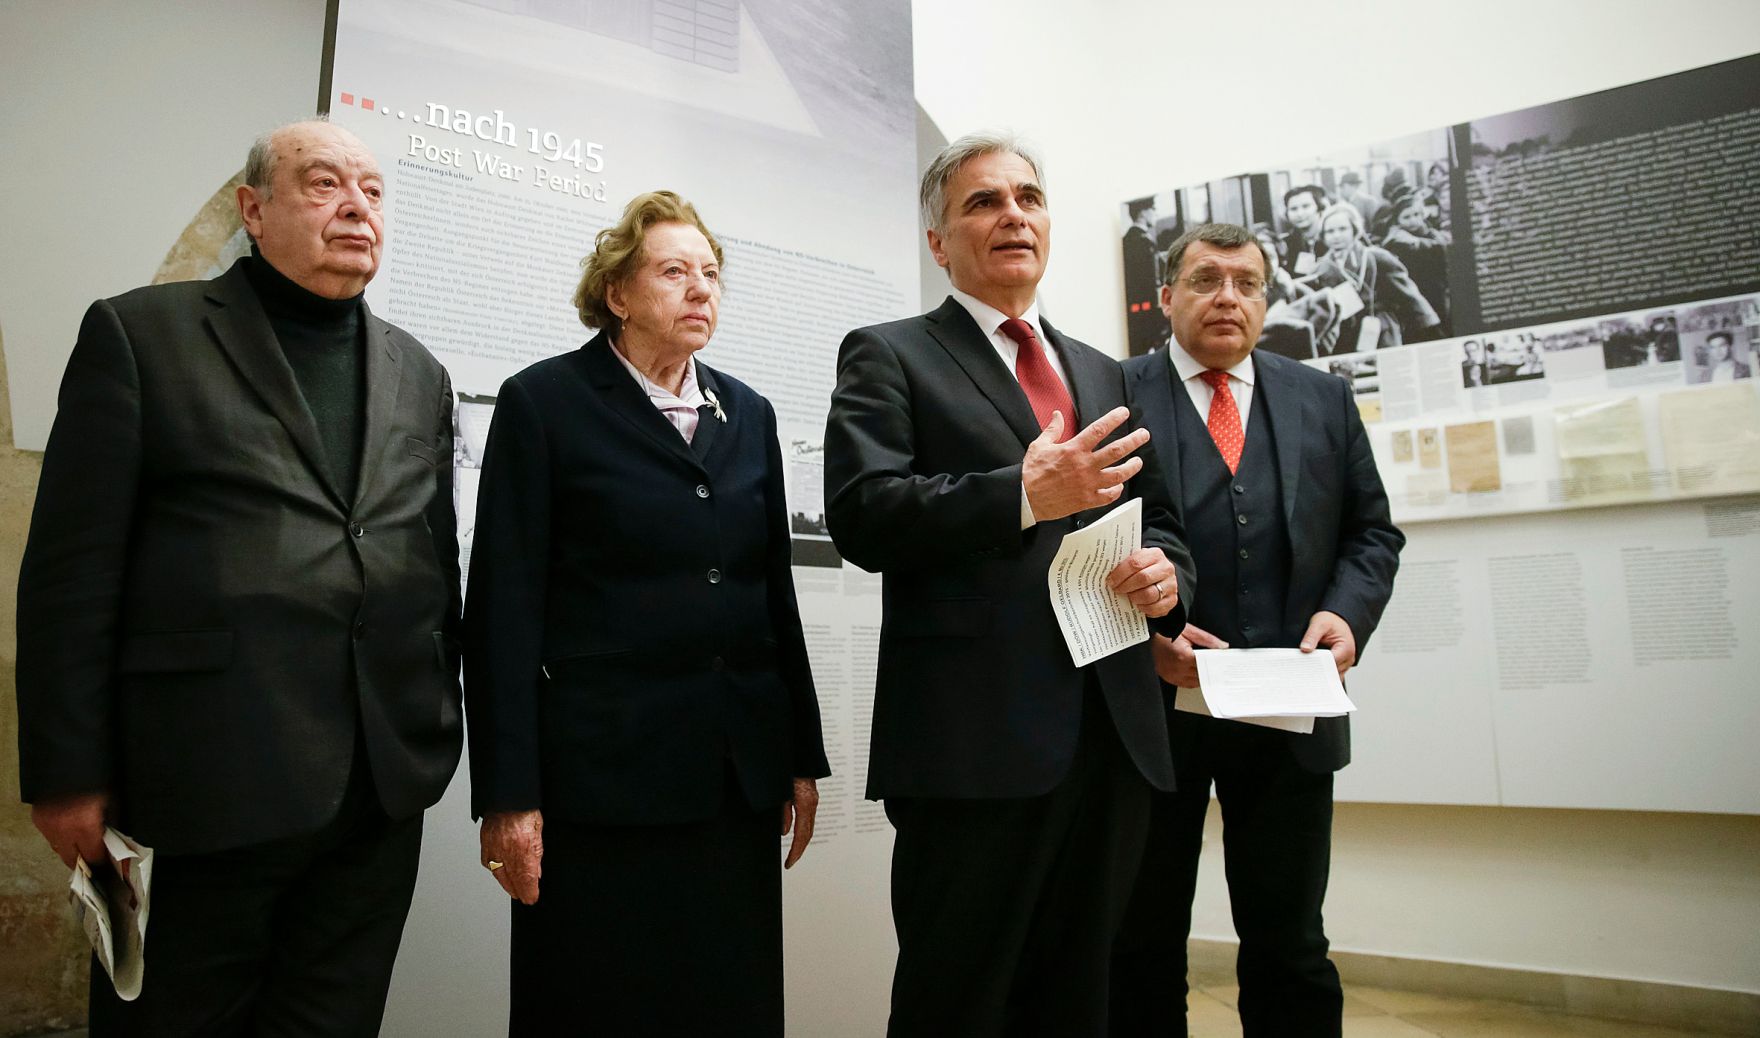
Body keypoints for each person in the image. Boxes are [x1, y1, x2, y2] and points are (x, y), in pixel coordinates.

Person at [15, 118, 462, 1035]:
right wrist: (65, 774)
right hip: (203, 782)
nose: (355, 208)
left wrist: (435, 722)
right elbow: (70, 575)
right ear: (254, 210)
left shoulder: (421, 373)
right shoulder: (142, 337)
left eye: (373, 192)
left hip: (374, 798)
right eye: (324, 183)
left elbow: (430, 564)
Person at [823, 132, 1197, 1036]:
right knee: (958, 999)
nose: (1012, 216)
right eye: (983, 202)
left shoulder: (1104, 371)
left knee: (1079, 999)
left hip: (1112, 736)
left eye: (1027, 198)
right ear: (939, 242)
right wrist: (1021, 496)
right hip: (972, 743)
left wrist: (1165, 578)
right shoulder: (890, 353)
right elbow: (864, 513)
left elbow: (1167, 523)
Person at [464, 190, 829, 1037]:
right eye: (674, 272)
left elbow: (773, 594)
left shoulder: (750, 413)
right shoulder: (544, 402)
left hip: (733, 783)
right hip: (602, 788)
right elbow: (504, 610)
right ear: (618, 294)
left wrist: (797, 758)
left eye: (710, 274)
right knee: (597, 1005)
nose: (701, 289)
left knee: (725, 1005)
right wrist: (509, 796)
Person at [1112, 223, 1404, 1038]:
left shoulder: (1323, 398)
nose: (1227, 298)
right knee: (1138, 941)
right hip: (1155, 717)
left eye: (1246, 283)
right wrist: (1146, 642)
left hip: (1290, 718)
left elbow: (1373, 534)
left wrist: (1345, 617)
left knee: (1291, 945)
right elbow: (1079, 548)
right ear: (1166, 297)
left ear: (1268, 301)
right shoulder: (1113, 391)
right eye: (1206, 280)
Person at [1303, 202, 1440, 350]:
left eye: (1342, 229)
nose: (1336, 236)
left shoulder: (1376, 257)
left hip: (1379, 325)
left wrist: (1428, 324)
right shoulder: (1320, 268)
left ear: (1354, 230)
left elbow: (1408, 293)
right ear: (1323, 235)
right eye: (1330, 231)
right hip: (1343, 333)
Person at [1379, 194, 1452, 337]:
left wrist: (1418, 243)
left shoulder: (1432, 234)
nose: (1413, 220)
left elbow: (1443, 251)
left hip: (1437, 290)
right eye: (1406, 217)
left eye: (1416, 214)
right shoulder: (1395, 241)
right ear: (1397, 220)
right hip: (1413, 293)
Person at [1123, 197, 1167, 355]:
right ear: (1142, 213)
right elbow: (1153, 282)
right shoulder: (1144, 243)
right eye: (1153, 209)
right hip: (1148, 313)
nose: (1156, 213)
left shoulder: (1126, 240)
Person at [1279, 184, 1328, 275]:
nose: (1300, 214)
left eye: (1306, 206)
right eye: (1293, 209)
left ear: (1318, 207)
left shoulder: (1333, 237)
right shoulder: (1287, 244)